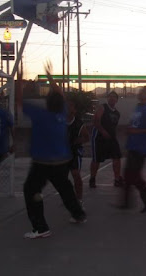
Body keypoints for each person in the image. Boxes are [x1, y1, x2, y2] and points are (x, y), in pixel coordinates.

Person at [22, 61, 86, 239]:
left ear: (47, 103)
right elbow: (60, 94)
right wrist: (50, 77)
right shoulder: (62, 112)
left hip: (42, 163)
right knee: (65, 188)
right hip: (61, 161)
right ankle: (78, 214)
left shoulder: (40, 114)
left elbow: (19, 101)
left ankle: (41, 228)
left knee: (31, 190)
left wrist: (19, 80)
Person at [117, 87, 146, 213]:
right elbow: (134, 125)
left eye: (143, 92)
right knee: (128, 176)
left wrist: (137, 131)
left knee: (133, 176)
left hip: (140, 148)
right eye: (140, 91)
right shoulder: (138, 108)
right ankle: (126, 202)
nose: (140, 93)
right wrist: (129, 130)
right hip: (132, 146)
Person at [90, 91, 123, 188]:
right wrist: (103, 131)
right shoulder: (102, 107)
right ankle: (92, 179)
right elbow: (96, 121)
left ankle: (117, 179)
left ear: (117, 100)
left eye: (114, 97)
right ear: (107, 98)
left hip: (111, 138)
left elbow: (113, 126)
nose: (112, 98)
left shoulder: (117, 113)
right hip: (99, 137)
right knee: (96, 159)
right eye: (110, 97)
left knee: (117, 158)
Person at [67, 96, 89, 207]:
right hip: (62, 152)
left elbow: (86, 137)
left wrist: (78, 140)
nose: (67, 107)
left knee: (75, 174)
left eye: (70, 106)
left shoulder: (79, 124)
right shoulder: (59, 121)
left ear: (74, 110)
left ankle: (79, 200)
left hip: (75, 151)